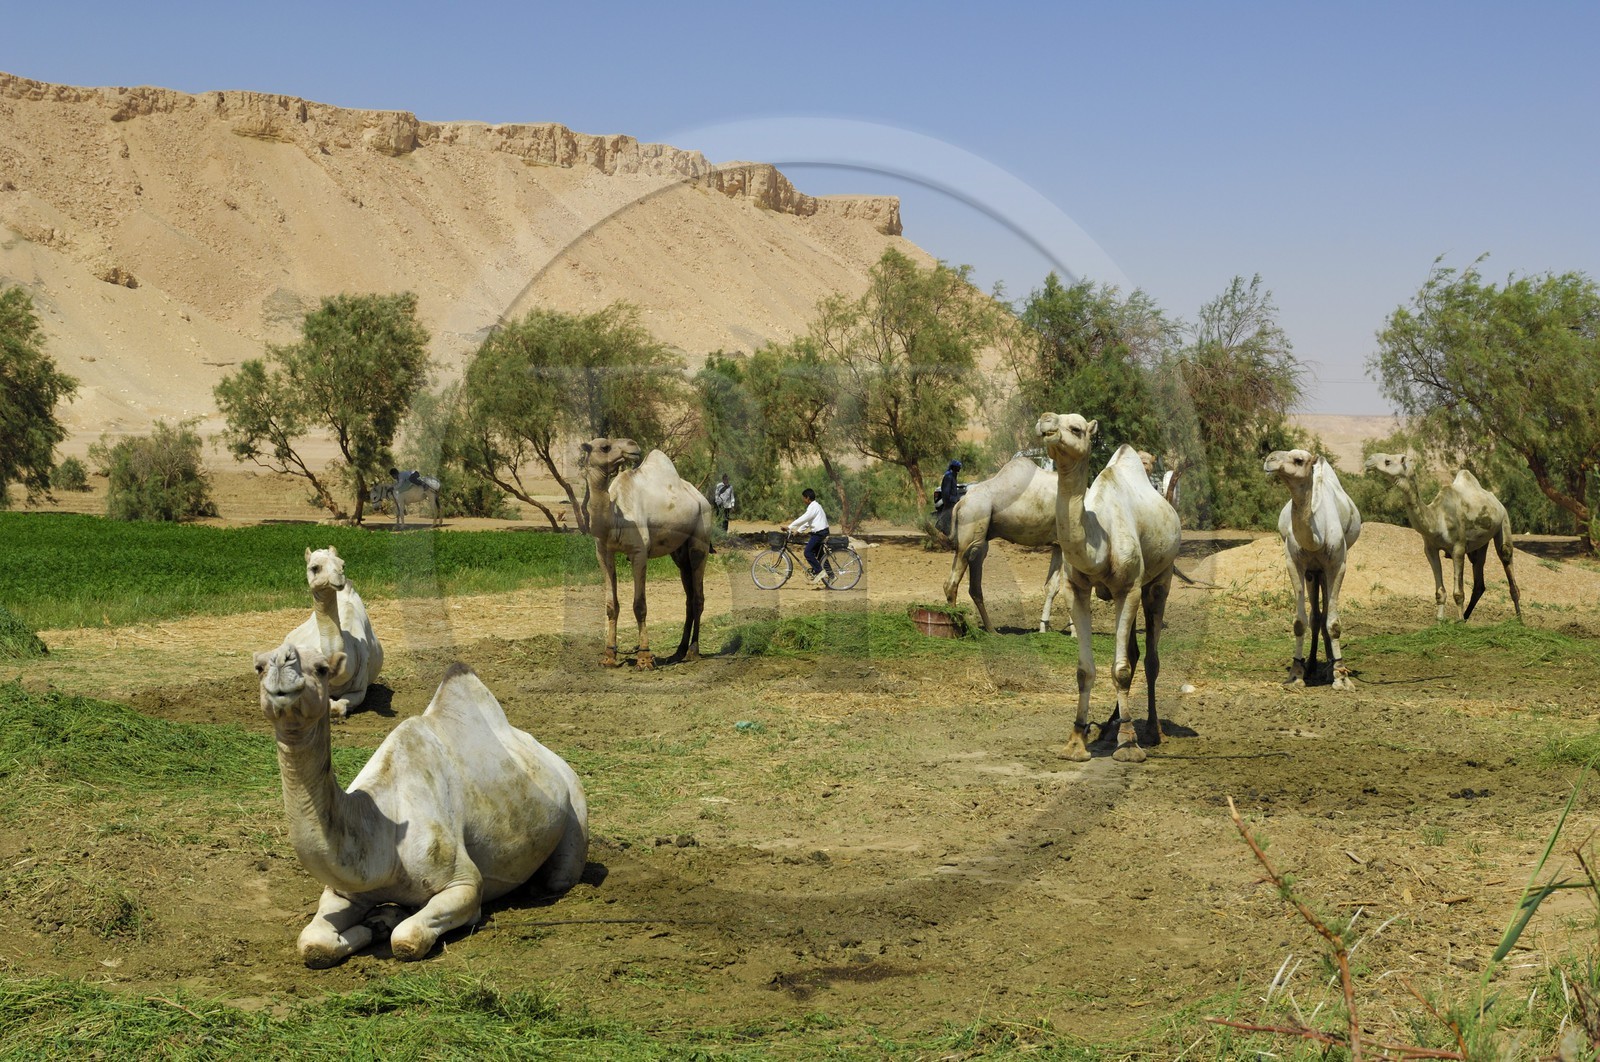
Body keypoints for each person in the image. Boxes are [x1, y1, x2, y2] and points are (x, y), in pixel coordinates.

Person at [786, 487, 830, 587]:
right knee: (820, 555)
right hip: (821, 531)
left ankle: (819, 572)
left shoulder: (813, 507)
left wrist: (790, 526)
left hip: (820, 533)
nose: (803, 500)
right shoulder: (815, 506)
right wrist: (798, 531)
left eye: (803, 498)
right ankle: (831, 575)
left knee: (807, 552)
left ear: (808, 498)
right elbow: (807, 522)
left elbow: (804, 518)